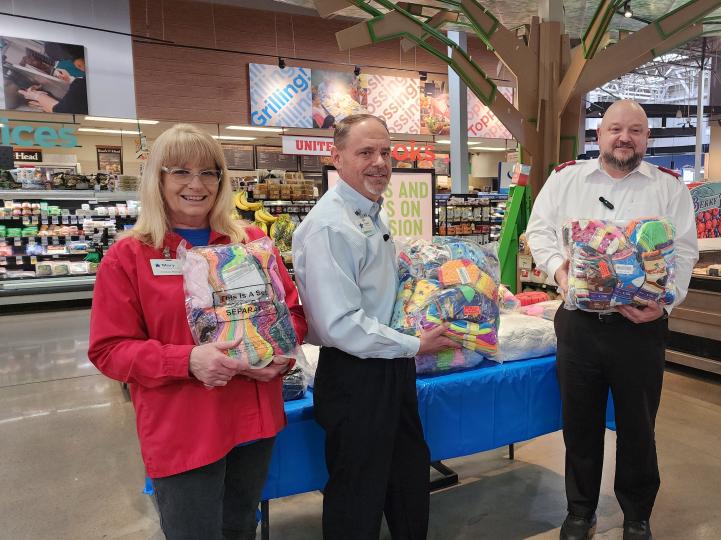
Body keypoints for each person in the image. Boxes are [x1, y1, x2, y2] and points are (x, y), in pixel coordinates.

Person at [88, 124, 307, 540]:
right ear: (158, 178)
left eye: (209, 172)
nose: (196, 184)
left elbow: (292, 313)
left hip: (253, 418)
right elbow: (109, 350)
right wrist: (187, 360)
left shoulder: (252, 242)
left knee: (241, 527)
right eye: (181, 172)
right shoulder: (129, 257)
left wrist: (277, 354)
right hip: (184, 428)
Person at [526, 100, 698, 540]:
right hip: (580, 324)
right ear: (598, 135)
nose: (625, 138)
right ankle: (580, 511)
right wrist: (560, 271)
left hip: (640, 328)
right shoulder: (567, 180)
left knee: (639, 426)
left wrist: (666, 302)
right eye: (616, 129)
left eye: (636, 131)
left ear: (646, 138)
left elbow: (683, 251)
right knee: (579, 423)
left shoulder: (668, 188)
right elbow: (540, 230)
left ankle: (637, 514)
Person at [292, 113, 457, 539]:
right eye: (365, 152)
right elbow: (339, 325)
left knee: (406, 477)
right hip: (355, 376)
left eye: (385, 152)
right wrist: (414, 344)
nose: (380, 162)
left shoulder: (369, 211)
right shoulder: (331, 225)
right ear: (337, 157)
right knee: (357, 496)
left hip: (389, 367)